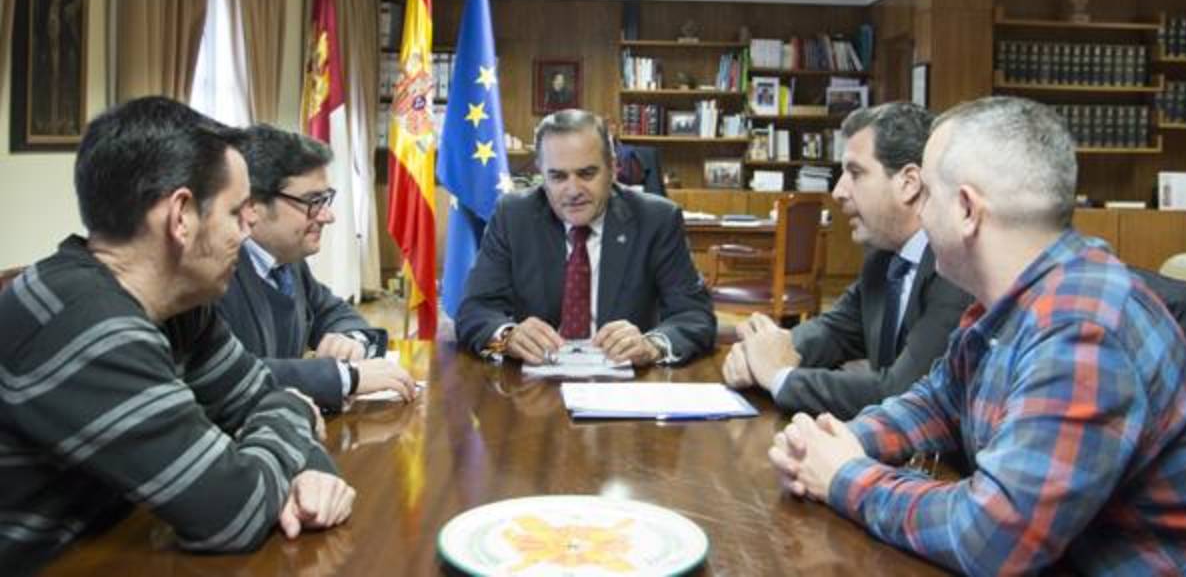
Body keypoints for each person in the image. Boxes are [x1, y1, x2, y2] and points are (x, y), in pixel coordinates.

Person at [769, 97, 1186, 574]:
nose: (919, 212)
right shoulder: (1014, 302)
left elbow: (991, 540)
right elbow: (936, 403)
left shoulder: (1081, 328)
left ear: (967, 209)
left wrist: (845, 476)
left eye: (927, 193)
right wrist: (839, 439)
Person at [0, 97, 354, 573]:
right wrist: (295, 411)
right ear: (181, 215)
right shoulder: (88, 324)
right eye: (236, 212)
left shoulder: (181, 305)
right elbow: (233, 512)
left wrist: (312, 469)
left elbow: (260, 398)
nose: (248, 230)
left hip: (117, 546)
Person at [723, 102, 971, 418]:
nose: (838, 191)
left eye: (855, 173)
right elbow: (834, 331)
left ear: (908, 183)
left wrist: (779, 376)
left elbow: (903, 391)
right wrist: (763, 349)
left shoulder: (954, 267)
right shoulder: (884, 260)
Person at [456, 109, 715, 365]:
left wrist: (652, 345)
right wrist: (508, 337)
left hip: (625, 387)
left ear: (613, 168)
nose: (573, 191)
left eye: (586, 174)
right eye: (557, 176)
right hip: (535, 384)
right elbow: (474, 310)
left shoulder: (656, 219)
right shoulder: (513, 216)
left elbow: (694, 315)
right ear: (541, 173)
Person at [216, 124, 418, 412]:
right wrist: (344, 378)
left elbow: (333, 311)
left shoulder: (288, 262)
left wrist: (351, 340)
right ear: (254, 205)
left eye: (326, 200)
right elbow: (226, 377)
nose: (328, 216)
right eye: (313, 202)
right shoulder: (212, 273)